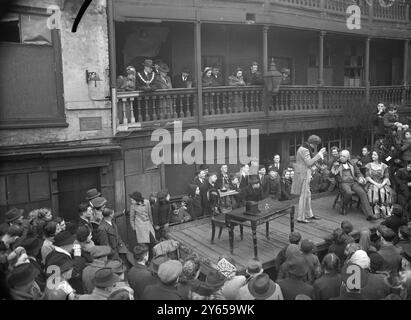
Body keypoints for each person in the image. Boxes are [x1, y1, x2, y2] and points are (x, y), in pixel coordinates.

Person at [331, 149, 375, 220]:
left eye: (344, 156)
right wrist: (334, 170)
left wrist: (360, 177)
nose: (341, 157)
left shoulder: (352, 163)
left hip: (353, 182)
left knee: (362, 193)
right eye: (341, 156)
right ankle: (343, 206)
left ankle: (369, 215)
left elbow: (358, 173)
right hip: (343, 183)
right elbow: (332, 174)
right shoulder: (336, 164)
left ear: (348, 157)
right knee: (348, 193)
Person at [291, 135, 326, 223]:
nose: (316, 146)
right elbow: (309, 163)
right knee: (303, 196)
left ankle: (309, 214)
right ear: (313, 143)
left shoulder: (304, 148)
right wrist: (319, 154)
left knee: (307, 194)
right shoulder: (305, 150)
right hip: (303, 174)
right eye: (316, 144)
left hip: (303, 172)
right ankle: (301, 217)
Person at [365, 150, 394, 218]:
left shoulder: (384, 166)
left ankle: (384, 212)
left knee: (383, 192)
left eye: (375, 155)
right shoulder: (368, 165)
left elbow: (386, 177)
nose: (373, 156)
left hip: (382, 183)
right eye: (372, 154)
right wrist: (376, 184)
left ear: (379, 156)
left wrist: (382, 184)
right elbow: (368, 177)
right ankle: (375, 212)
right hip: (371, 182)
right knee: (373, 192)